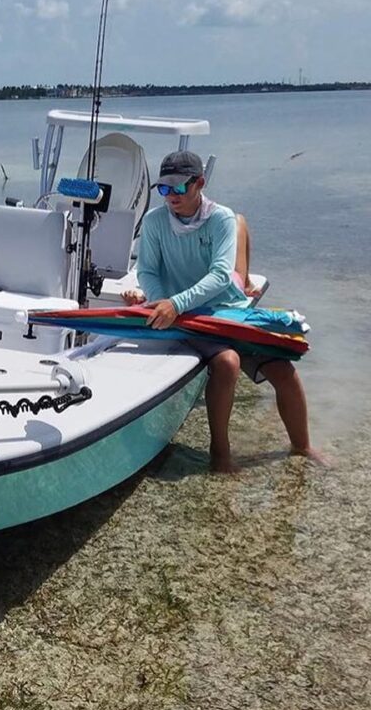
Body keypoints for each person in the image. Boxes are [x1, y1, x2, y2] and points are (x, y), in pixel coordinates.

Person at [122, 150, 324, 474]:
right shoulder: (154, 221)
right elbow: (147, 271)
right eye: (163, 189)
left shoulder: (222, 219)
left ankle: (302, 446)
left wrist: (175, 304)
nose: (170, 196)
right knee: (227, 362)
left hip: (228, 310)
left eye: (178, 187)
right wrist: (162, 303)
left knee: (285, 371)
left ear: (199, 183)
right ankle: (220, 453)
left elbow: (220, 275)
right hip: (188, 320)